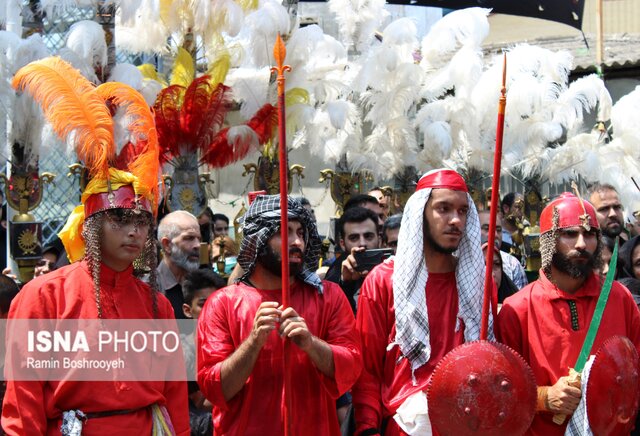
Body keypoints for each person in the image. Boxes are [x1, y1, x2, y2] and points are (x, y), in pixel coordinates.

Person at [2, 55, 189, 435]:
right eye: (121, 221)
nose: (135, 232)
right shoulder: (42, 298)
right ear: (91, 226)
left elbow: (175, 399)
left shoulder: (159, 305)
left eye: (142, 222)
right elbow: (23, 405)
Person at [197, 195, 362, 435]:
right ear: (258, 239)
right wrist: (253, 343)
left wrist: (310, 344)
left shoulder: (329, 296)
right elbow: (214, 389)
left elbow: (352, 367)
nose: (297, 242)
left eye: (301, 233)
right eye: (285, 232)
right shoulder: (222, 303)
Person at [353, 169, 487, 435]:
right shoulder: (383, 281)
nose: (455, 221)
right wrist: (367, 428)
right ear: (420, 214)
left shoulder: (480, 283)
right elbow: (367, 369)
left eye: (462, 211)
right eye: (443, 209)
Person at [497, 192, 640, 435]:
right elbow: (501, 392)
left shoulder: (619, 297)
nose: (582, 244)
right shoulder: (517, 308)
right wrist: (544, 397)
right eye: (570, 234)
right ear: (548, 241)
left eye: (589, 234)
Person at [181, 269, 226, 436]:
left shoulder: (233, 345)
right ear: (187, 310)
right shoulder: (182, 351)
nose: (212, 310)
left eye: (217, 303)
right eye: (203, 304)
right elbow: (202, 402)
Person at [325, 207, 381, 312]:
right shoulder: (335, 276)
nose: (362, 243)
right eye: (354, 238)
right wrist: (345, 285)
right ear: (342, 244)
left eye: (368, 236)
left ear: (379, 239)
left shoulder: (393, 270)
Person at [157, 210, 202, 320]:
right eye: (189, 238)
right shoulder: (149, 287)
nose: (198, 245)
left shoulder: (202, 282)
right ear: (167, 245)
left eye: (199, 239)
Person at [478, 209, 528, 289]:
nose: (495, 235)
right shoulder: (461, 261)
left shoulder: (512, 264)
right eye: (487, 228)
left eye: (498, 230)